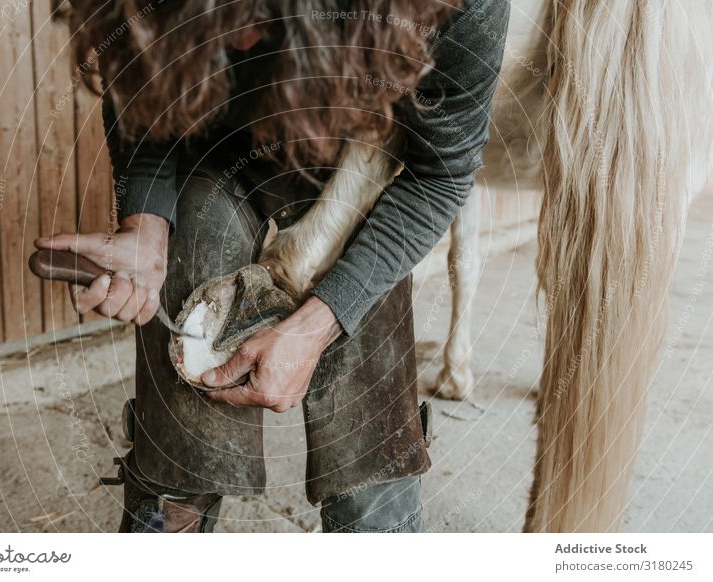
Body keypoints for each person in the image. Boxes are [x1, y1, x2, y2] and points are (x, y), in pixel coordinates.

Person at [36, 0, 509, 533]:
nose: (239, 44)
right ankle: (168, 508)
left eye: (259, 15)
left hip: (362, 157)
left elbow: (439, 174)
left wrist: (323, 319)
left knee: (369, 440)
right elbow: (146, 89)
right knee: (188, 372)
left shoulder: (458, 8)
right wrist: (145, 223)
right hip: (210, 150)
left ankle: (379, 521)